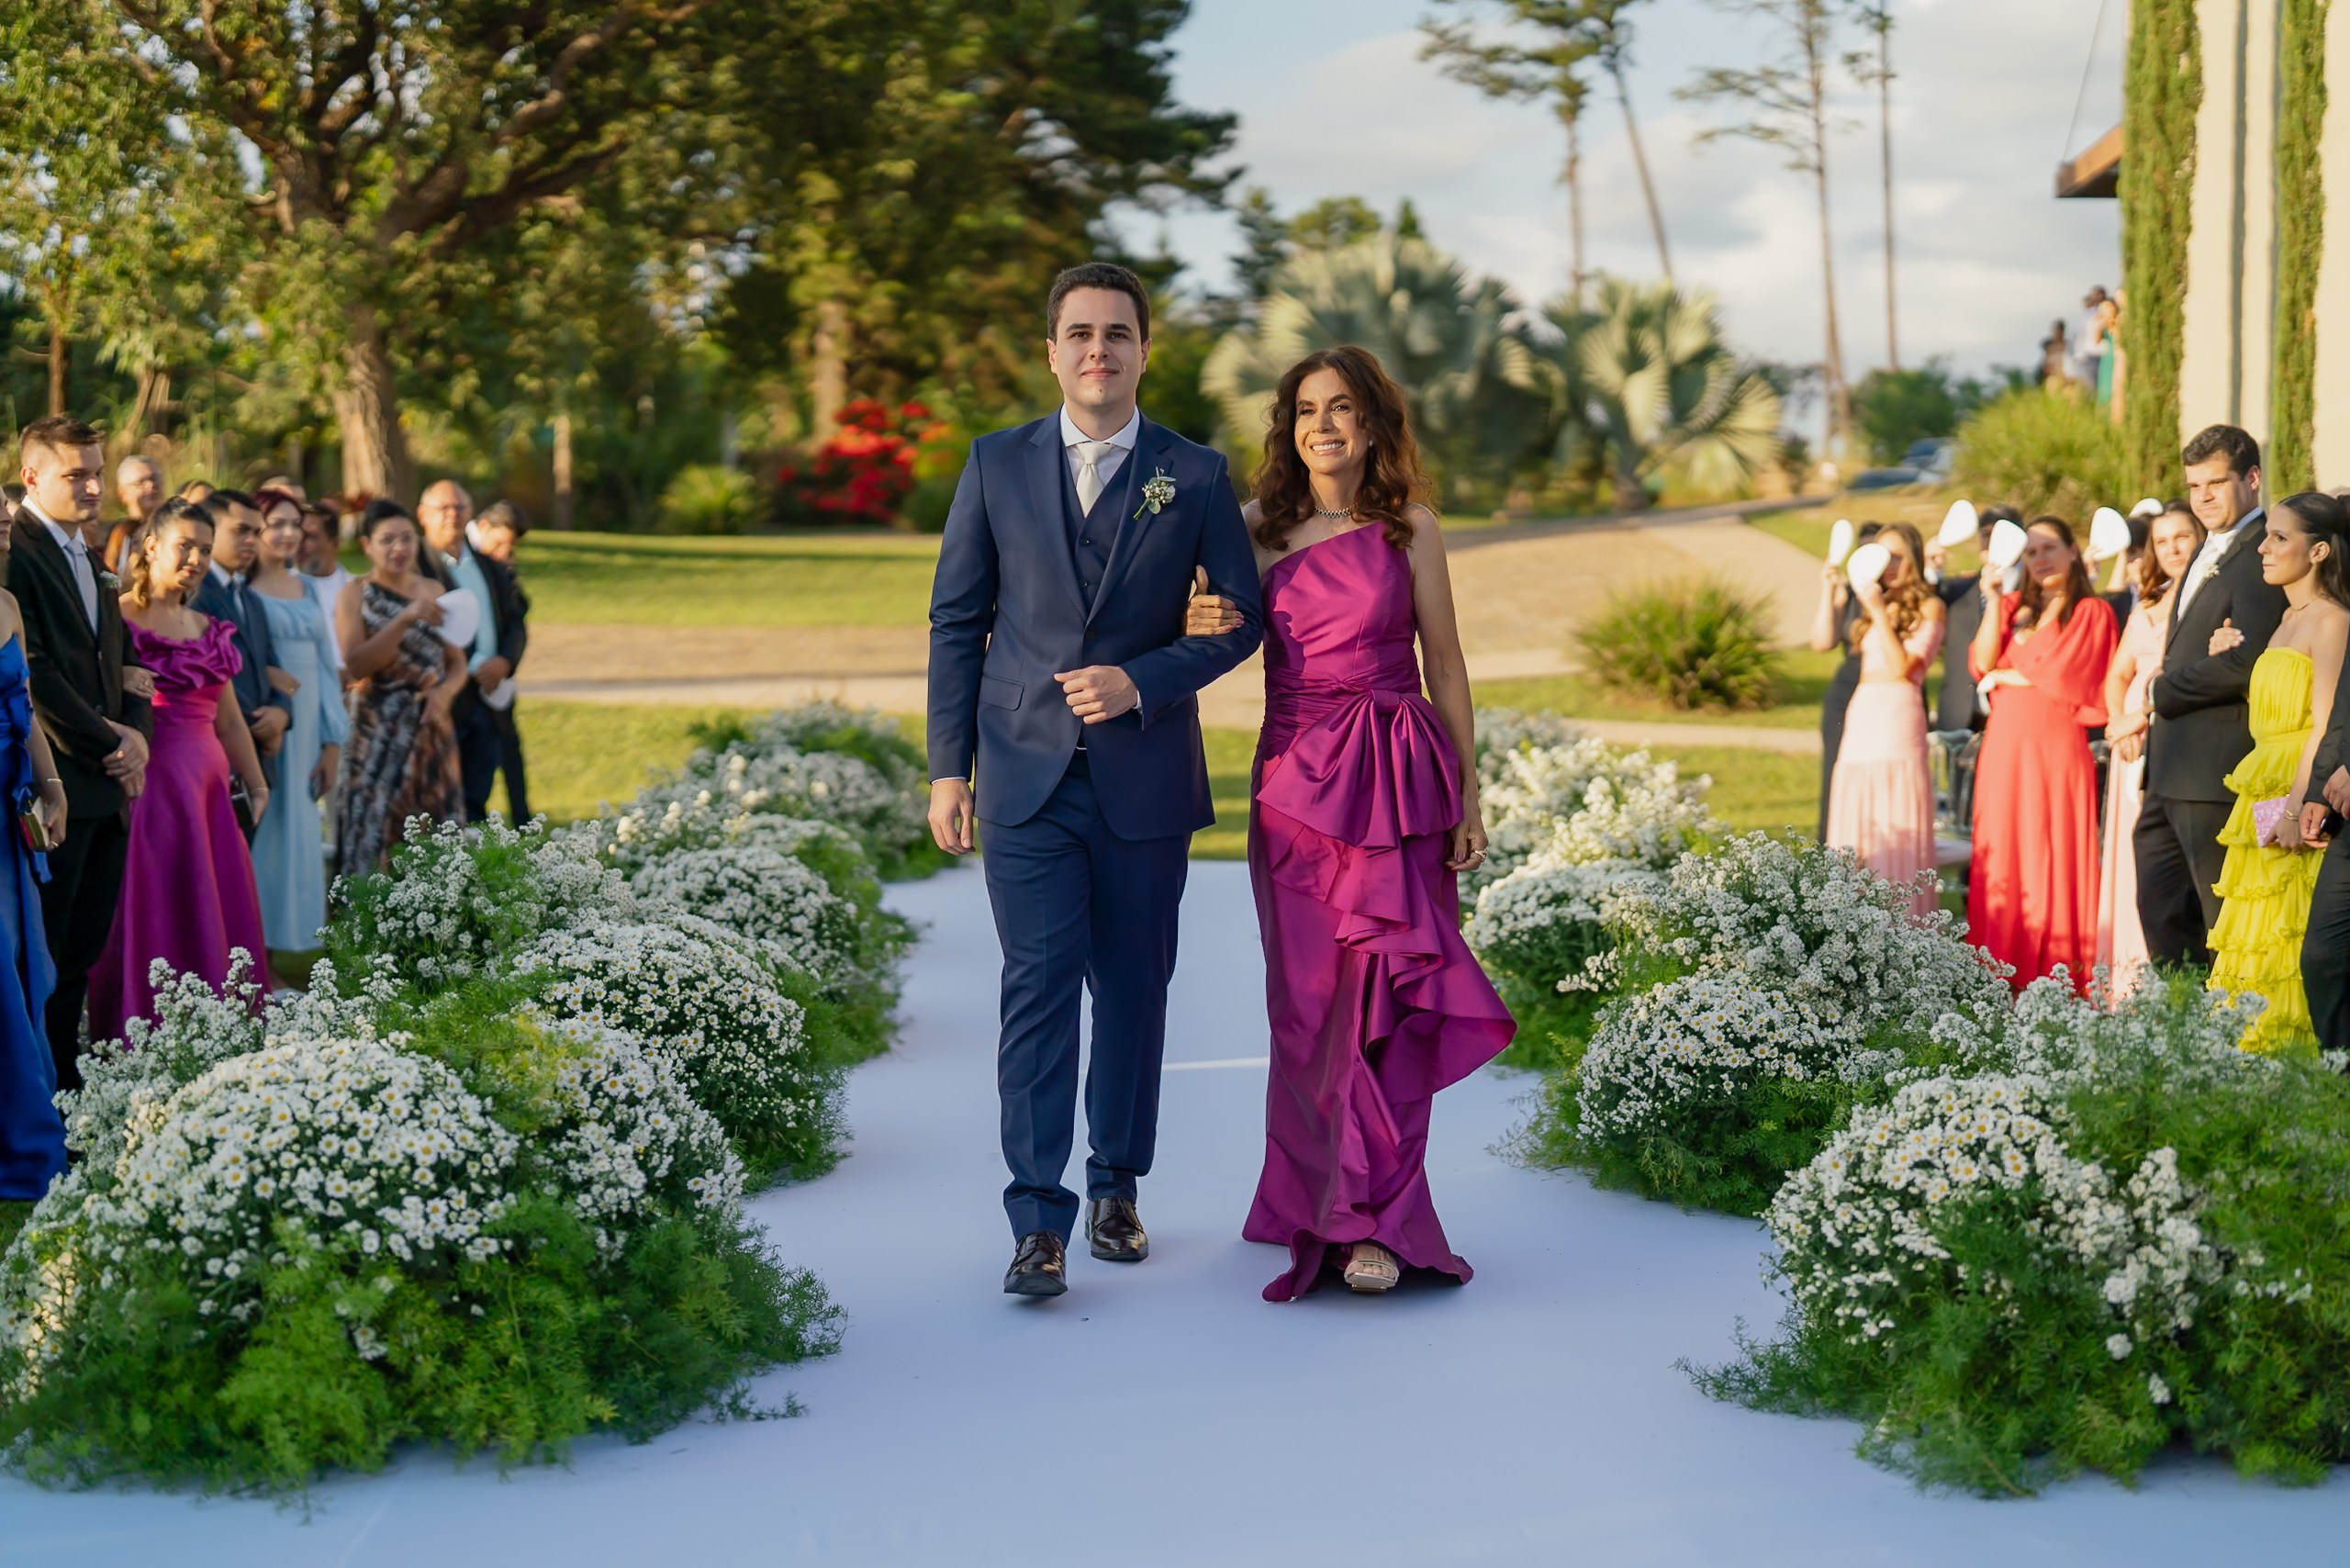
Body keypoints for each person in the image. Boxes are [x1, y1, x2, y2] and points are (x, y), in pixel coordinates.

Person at [925, 262, 1265, 1299]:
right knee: (1035, 992)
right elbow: (956, 620)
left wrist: (1142, 680)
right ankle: (1038, 1220)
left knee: (1129, 991)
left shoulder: (1193, 474)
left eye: (1117, 334)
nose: (1097, 351)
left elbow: (1242, 618)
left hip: (1144, 780)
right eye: (1078, 333)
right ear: (1052, 351)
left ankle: (1117, 1183)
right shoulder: (993, 464)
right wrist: (949, 770)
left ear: (1144, 351)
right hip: (1024, 777)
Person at [1183, 346, 1516, 1299]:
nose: (1321, 425)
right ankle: (1304, 1196)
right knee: (1305, 1009)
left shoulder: (1413, 528)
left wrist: (1469, 794)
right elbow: (1194, 623)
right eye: (1303, 411)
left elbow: (1445, 665)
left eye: (1339, 408)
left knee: (1383, 1009)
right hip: (1293, 789)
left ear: (1371, 422)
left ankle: (1372, 1224)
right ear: (1287, 431)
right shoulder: (1252, 528)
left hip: (1398, 784)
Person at [86, 500, 271, 1044]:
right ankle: (143, 1035)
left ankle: (219, 1035)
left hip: (210, 795)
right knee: (153, 910)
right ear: (151, 547)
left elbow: (230, 720)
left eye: (205, 550)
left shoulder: (209, 627)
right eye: (184, 546)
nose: (195, 558)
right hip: (151, 791)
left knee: (213, 908)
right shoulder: (114, 618)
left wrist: (256, 784)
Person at [10, 418, 151, 1091]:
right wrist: (112, 742)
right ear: (31, 475)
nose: (95, 486)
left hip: (108, 781)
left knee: (84, 948)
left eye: (98, 471)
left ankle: (68, 1080)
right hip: (57, 779)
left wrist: (137, 728)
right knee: (49, 950)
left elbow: (117, 660)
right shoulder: (19, 552)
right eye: (78, 474)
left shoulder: (89, 553)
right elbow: (33, 672)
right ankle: (45, 1087)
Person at [2201, 494, 2350, 1052]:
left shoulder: (2333, 620)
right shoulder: (2288, 617)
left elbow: (2327, 726)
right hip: (2261, 789)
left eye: (2278, 538)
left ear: (2317, 551)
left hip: (2297, 788)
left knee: (2290, 930)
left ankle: (2303, 1072)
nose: (2263, 547)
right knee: (2258, 932)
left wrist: (2296, 805)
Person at [2137, 425, 2284, 969]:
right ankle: (2178, 1036)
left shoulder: (2265, 551)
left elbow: (2250, 661)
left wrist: (2163, 689)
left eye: (2215, 482)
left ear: (2251, 478)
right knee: (2162, 919)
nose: (2202, 496)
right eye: (2195, 485)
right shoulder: (2206, 548)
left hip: (2217, 774)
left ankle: (2222, 1044)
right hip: (2167, 773)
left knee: (2221, 928)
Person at [1968, 518, 2118, 990]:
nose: (2041, 559)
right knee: (2004, 848)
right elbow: (1981, 662)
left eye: (2050, 547)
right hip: (2005, 746)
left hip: (2055, 748)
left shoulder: (2092, 611)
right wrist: (1993, 598)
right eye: (2031, 552)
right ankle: (1997, 973)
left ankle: (2054, 974)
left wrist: (2006, 676)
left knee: (2049, 848)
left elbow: (2064, 673)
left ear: (2074, 551)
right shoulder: (2012, 607)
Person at [2098, 504, 2205, 988]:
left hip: (2175, 737)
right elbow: (2120, 673)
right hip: (2131, 746)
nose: (2174, 548)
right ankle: (2126, 976)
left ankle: (2166, 975)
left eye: (2183, 537)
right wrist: (2120, 721)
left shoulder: (2209, 597)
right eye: (2163, 541)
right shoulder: (2147, 602)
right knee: (2135, 860)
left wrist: (2140, 718)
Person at [0, 516, 72, 1198]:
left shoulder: (8, 603)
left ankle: (25, 1127)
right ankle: (20, 1143)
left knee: (25, 962)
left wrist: (51, 789)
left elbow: (22, 706)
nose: (2, 525)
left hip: (9, 803)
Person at [335, 503, 464, 878]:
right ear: (367, 545)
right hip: (374, 726)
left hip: (428, 725)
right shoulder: (354, 594)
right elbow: (357, 664)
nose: (399, 548)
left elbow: (457, 663)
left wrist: (445, 694)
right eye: (387, 540)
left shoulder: (434, 590)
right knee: (372, 830)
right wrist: (404, 618)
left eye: (406, 538)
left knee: (432, 832)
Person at [1825, 522, 1945, 917]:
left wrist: (1877, 611)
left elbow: (1905, 668)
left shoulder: (1929, 606)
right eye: (1882, 555)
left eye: (1897, 556)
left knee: (1894, 805)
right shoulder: (1874, 604)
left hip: (1898, 714)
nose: (1889, 565)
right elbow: (1822, 641)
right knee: (1856, 810)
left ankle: (1902, 923)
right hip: (1863, 713)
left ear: (1914, 558)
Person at [246, 489, 346, 960]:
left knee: (303, 829)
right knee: (267, 832)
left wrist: (332, 743)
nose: (290, 534)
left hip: (308, 730)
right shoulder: (241, 594)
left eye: (296, 526)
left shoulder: (307, 587)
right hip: (265, 726)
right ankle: (256, 949)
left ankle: (294, 942)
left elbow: (326, 669)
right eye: (277, 524)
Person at [416, 480, 529, 822]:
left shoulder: (488, 565)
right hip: (442, 703)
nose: (452, 515)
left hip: (487, 700)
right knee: (437, 808)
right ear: (423, 515)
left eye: (460, 508)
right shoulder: (415, 568)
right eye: (443, 508)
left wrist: (505, 661)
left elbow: (515, 621)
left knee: (476, 800)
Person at [189, 490, 293, 798]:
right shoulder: (196, 597)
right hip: (221, 750)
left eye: (256, 532)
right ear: (210, 531)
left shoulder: (250, 598)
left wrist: (282, 712)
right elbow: (210, 678)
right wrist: (257, 726)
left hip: (257, 755)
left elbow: (272, 667)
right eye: (240, 530)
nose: (251, 540)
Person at [1809, 520, 1884, 837]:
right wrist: (1829, 587)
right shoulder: (1849, 593)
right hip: (1848, 688)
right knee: (1835, 774)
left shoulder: (1903, 599)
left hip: (1888, 694)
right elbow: (1822, 642)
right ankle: (1831, 851)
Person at [466, 500, 532, 820]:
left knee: (508, 746)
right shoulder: (462, 558)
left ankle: (522, 818)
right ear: (482, 527)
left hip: (499, 677)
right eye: (500, 543)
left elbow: (516, 617)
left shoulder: (501, 564)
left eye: (511, 546)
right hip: (463, 682)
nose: (505, 553)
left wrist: (506, 661)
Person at [1930, 506, 2018, 734]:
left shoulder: (2034, 593)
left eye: (1999, 534)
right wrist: (1929, 567)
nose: (1990, 542)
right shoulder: (1957, 589)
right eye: (1986, 534)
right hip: (1959, 713)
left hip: (2011, 713)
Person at [298, 503, 352, 678]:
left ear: (334, 543)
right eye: (299, 534)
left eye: (310, 537)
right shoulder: (280, 589)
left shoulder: (358, 589)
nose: (300, 543)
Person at [108, 454, 162, 571]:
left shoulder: (173, 530)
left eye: (155, 479)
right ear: (123, 493)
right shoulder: (115, 535)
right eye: (141, 482)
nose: (151, 485)